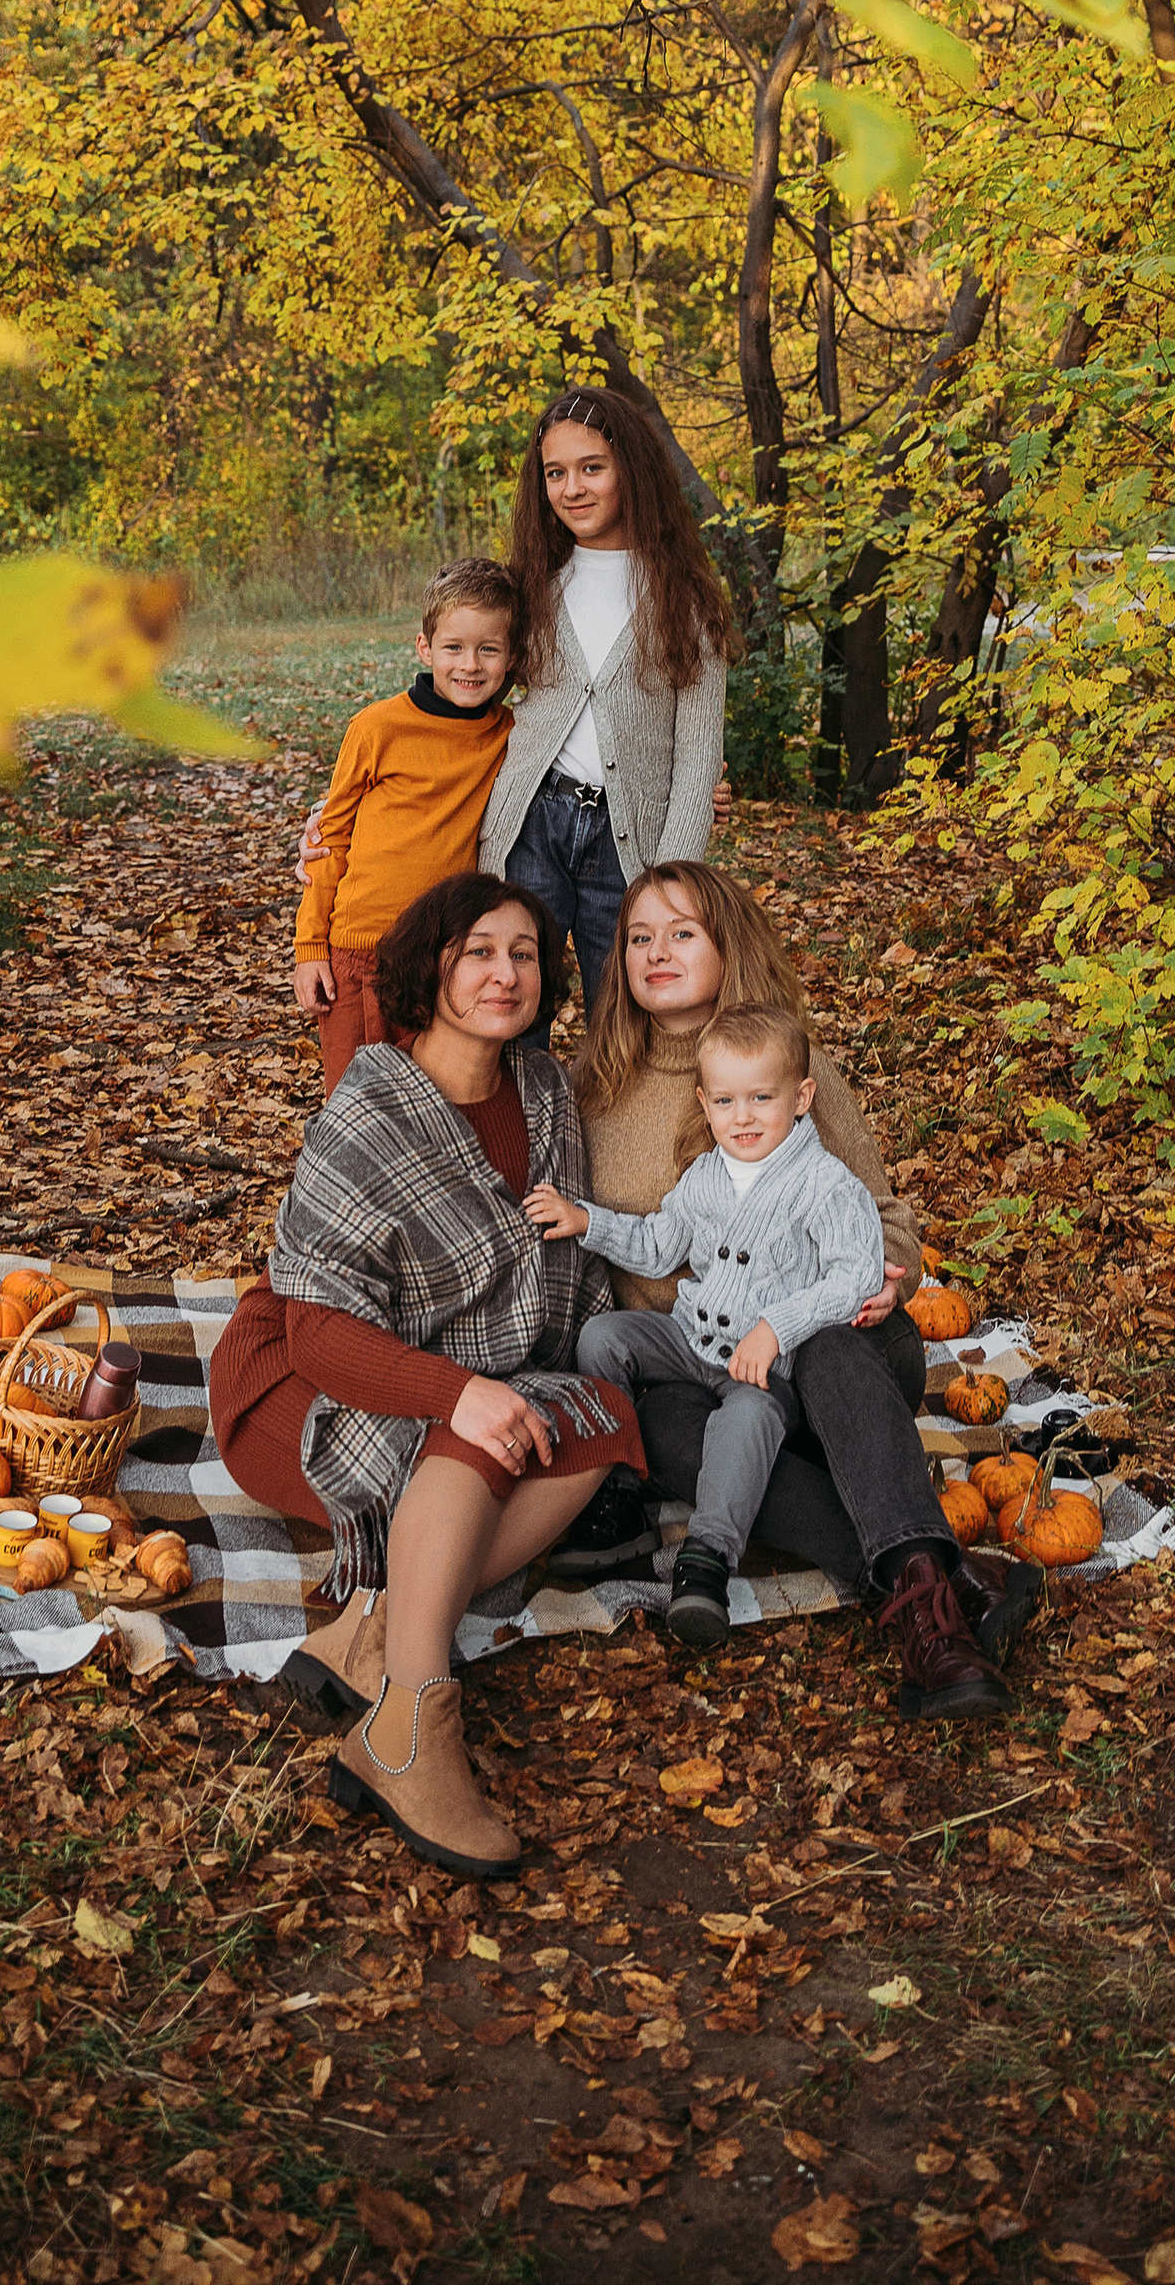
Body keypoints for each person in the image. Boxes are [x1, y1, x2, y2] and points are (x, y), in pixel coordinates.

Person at [208, 873, 645, 1882]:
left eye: (525, 953)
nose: (505, 972)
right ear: (430, 968)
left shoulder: (545, 1096)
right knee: (481, 1433)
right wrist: (461, 1395)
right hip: (303, 1388)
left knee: (602, 1413)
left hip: (462, 1377)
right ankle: (408, 1722)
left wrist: (499, 1385)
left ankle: (372, 1623)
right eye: (479, 951)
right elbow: (316, 1333)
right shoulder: (365, 1106)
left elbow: (557, 1280)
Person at [550, 861, 1033, 1718]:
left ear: (726, 943)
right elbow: (618, 1242)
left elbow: (882, 1218)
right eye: (638, 937)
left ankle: (932, 1621)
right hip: (699, 1367)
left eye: (682, 933)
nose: (657, 952)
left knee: (832, 1344)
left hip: (831, 1349)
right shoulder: (595, 1084)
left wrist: (887, 1280)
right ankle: (943, 1591)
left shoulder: (799, 1065)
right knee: (664, 1437)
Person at [526, 998, 885, 1652]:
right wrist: (589, 1222)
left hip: (765, 1366)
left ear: (801, 1097)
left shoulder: (825, 1186)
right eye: (724, 1102)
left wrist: (777, 1327)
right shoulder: (707, 1177)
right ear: (704, 1100)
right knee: (605, 1338)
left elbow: (855, 1276)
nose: (741, 1117)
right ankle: (617, 1485)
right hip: (690, 1338)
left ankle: (707, 1560)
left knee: (744, 1420)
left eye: (760, 1099)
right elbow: (662, 1244)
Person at [480, 386, 732, 1016]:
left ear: (631, 471)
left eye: (592, 468)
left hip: (630, 846)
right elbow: (460, 702)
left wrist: (670, 884)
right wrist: (358, 797)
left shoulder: (684, 598)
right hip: (530, 828)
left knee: (622, 1013)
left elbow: (699, 757)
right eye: (555, 473)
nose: (573, 489)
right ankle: (517, 1118)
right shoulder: (532, 586)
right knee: (511, 1007)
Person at [293, 558, 518, 1091]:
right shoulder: (376, 728)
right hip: (359, 950)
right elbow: (330, 839)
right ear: (424, 647)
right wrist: (310, 948)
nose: (470, 664)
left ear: (512, 658)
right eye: (453, 648)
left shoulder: (510, 733)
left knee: (438, 1102)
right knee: (357, 1108)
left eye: (489, 649)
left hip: (445, 958)